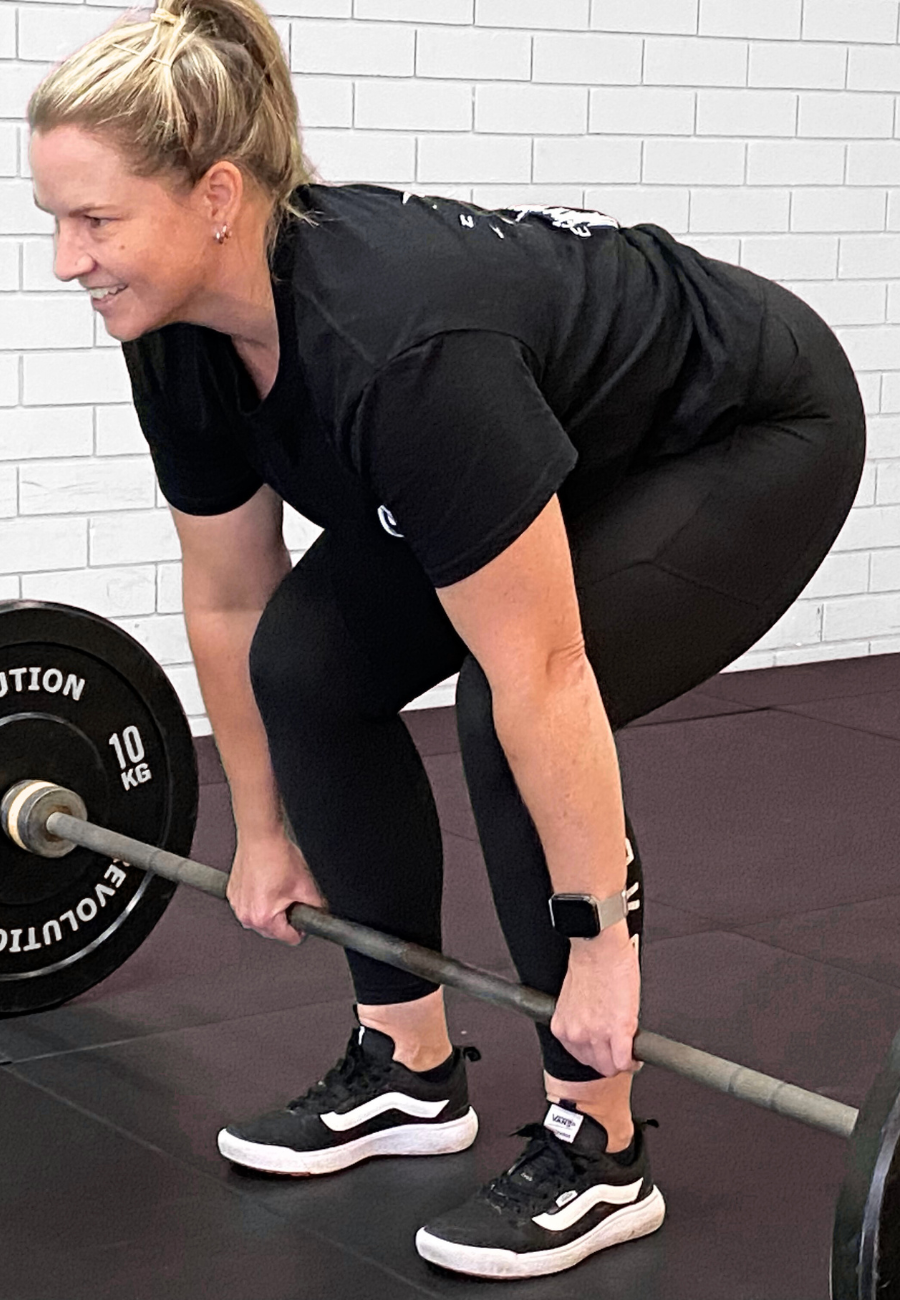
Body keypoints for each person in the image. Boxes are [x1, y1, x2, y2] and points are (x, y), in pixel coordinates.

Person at [27, 0, 866, 1282]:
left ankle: (599, 1137)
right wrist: (261, 825)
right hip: (557, 429)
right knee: (309, 655)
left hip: (741, 432)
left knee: (499, 699)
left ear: (212, 196)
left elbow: (545, 673)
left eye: (95, 221)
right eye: (54, 221)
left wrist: (601, 954)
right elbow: (236, 598)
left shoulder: (394, 343)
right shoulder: (177, 336)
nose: (67, 260)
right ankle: (407, 1065)